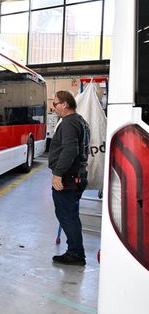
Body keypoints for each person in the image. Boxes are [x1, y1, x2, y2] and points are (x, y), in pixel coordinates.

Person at [48, 91, 90, 266]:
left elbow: (70, 150)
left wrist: (58, 173)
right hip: (77, 176)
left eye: (55, 103)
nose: (54, 107)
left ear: (65, 104)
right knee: (71, 215)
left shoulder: (68, 123)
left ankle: (75, 253)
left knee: (67, 215)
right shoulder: (80, 121)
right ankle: (76, 250)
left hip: (68, 178)